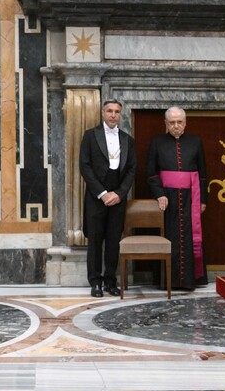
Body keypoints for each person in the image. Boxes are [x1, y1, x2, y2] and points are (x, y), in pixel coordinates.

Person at [79, 100, 137, 297]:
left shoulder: (128, 139)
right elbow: (85, 167)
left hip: (118, 197)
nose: (113, 115)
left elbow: (131, 169)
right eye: (110, 111)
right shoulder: (90, 136)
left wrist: (119, 194)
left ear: (121, 115)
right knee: (95, 240)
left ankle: (110, 281)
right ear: (103, 113)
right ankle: (95, 282)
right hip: (97, 197)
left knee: (113, 240)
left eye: (117, 112)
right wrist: (103, 194)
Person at [146, 106, 208, 290]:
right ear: (165, 124)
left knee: (190, 238)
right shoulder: (157, 142)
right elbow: (151, 173)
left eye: (179, 122)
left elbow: (203, 174)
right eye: (172, 123)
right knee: (170, 236)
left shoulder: (195, 142)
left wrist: (203, 200)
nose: (176, 126)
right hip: (168, 199)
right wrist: (160, 194)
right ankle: (168, 280)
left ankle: (191, 280)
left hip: (191, 197)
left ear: (185, 123)